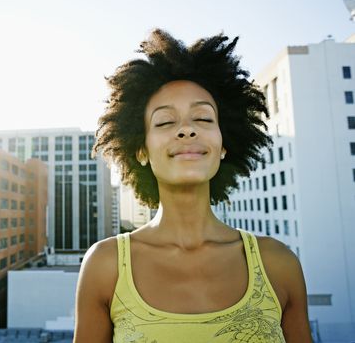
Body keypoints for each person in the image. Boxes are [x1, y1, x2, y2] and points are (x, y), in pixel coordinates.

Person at [73, 29, 311, 342]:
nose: (186, 130)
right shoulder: (105, 266)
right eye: (165, 122)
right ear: (141, 150)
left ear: (224, 144)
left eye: (203, 118)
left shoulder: (278, 263)